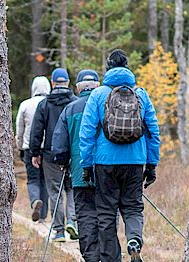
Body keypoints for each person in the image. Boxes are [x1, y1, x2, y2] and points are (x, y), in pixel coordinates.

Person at [78, 50, 161, 261]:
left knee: (106, 213)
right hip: (135, 161)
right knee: (133, 207)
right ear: (127, 67)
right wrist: (151, 164)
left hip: (105, 163)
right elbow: (152, 130)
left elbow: (87, 132)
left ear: (108, 68)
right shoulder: (140, 93)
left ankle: (110, 259)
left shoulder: (98, 94)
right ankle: (134, 240)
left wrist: (86, 166)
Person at [51, 69, 101, 261]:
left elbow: (59, 144)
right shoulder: (106, 105)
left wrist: (64, 163)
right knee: (106, 213)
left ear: (78, 88)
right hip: (107, 171)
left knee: (86, 215)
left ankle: (90, 256)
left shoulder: (71, 109)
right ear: (97, 86)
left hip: (80, 174)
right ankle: (108, 253)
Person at [30, 68, 78, 242]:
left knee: (54, 192)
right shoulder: (75, 102)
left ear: (52, 83)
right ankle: (72, 220)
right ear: (67, 83)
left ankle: (58, 231)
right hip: (73, 155)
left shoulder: (44, 104)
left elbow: (37, 130)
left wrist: (35, 152)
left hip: (50, 155)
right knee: (72, 189)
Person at [15, 76, 51, 222]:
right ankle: (42, 216)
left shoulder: (25, 104)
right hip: (48, 149)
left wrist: (19, 147)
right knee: (45, 181)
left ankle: (35, 200)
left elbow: (20, 128)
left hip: (30, 148)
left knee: (33, 179)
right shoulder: (50, 104)